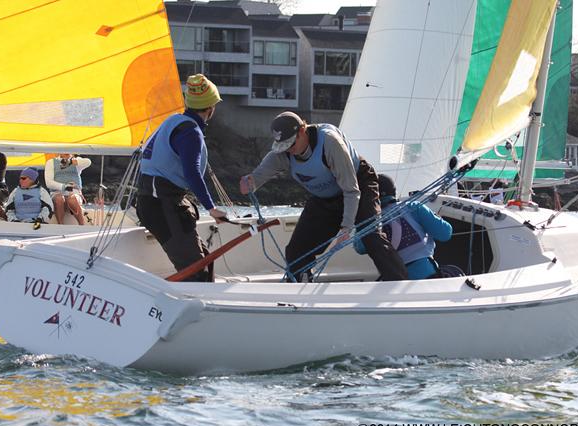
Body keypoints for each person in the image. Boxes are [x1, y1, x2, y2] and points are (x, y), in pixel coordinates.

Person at [240, 111, 407, 282]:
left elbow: (351, 190)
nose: (288, 150)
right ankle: (299, 289)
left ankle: (398, 282)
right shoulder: (283, 153)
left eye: (291, 144)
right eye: (283, 146)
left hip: (358, 185)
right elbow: (257, 177)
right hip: (325, 198)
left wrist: (346, 226)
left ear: (302, 130)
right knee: (296, 250)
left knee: (371, 235)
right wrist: (249, 183)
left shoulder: (330, 142)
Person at [136, 73, 227, 281]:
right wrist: (211, 208)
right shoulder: (190, 133)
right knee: (197, 274)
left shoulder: (174, 121)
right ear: (210, 107)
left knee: (207, 262)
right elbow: (192, 172)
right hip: (162, 205)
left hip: (156, 200)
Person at [357, 174, 453, 280]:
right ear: (393, 190)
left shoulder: (370, 221)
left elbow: (360, 248)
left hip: (393, 280)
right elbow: (445, 233)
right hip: (426, 274)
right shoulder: (413, 207)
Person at [45, 153, 91, 224]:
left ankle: (82, 224)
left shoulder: (76, 161)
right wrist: (65, 186)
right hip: (57, 192)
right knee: (59, 199)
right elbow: (49, 183)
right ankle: (61, 225)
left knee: (72, 199)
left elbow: (88, 162)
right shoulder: (51, 162)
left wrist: (71, 162)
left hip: (74, 192)